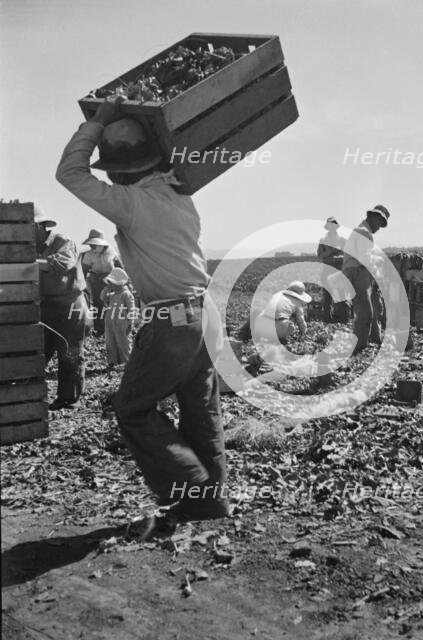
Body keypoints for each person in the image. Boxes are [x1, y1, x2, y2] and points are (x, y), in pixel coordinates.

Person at [56, 96, 229, 532]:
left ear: (120, 168)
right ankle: (210, 502)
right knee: (200, 408)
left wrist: (96, 124)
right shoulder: (178, 194)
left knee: (132, 408)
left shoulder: (131, 202)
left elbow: (69, 174)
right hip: (205, 314)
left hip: (172, 321)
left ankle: (192, 485)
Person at [34, 206, 89, 410]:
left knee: (70, 352)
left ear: (39, 226)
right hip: (47, 304)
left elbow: (61, 265)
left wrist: (30, 263)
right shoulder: (30, 246)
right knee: (42, 350)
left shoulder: (63, 242)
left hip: (70, 304)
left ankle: (69, 398)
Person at [342, 204, 389, 352]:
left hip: (361, 271)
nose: (379, 228)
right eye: (379, 224)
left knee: (375, 306)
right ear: (373, 217)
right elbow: (365, 259)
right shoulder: (363, 232)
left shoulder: (364, 232)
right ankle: (358, 346)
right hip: (357, 271)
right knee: (365, 313)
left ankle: (375, 338)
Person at [80, 228, 121, 334]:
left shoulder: (111, 252)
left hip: (111, 280)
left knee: (114, 303)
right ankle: (100, 328)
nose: (92, 247)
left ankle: (114, 327)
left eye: (94, 244)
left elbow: (118, 266)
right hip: (96, 280)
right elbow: (84, 270)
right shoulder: (89, 255)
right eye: (91, 245)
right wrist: (83, 285)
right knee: (98, 304)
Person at [100, 267, 136, 367]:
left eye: (112, 283)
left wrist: (130, 323)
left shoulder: (126, 294)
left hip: (122, 323)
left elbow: (131, 309)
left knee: (123, 343)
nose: (111, 285)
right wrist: (107, 288)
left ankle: (126, 362)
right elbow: (102, 297)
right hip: (110, 322)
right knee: (110, 342)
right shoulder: (112, 295)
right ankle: (113, 362)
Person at [316, 217, 346, 321]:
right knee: (327, 294)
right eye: (329, 226)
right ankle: (327, 318)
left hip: (339, 269)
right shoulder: (323, 240)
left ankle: (343, 317)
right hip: (327, 269)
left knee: (342, 293)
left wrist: (339, 256)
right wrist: (330, 251)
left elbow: (348, 255)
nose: (331, 228)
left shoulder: (342, 240)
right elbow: (319, 255)